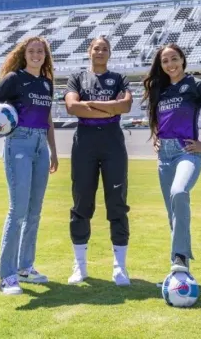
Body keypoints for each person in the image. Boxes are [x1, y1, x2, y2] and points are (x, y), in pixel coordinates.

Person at [0, 36, 59, 295]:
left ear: (45, 56)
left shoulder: (47, 84)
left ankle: (26, 267)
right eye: (32, 51)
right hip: (19, 143)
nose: (36, 55)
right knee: (18, 210)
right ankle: (7, 275)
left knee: (35, 211)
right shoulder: (14, 78)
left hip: (40, 147)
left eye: (41, 51)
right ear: (25, 55)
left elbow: (47, 120)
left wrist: (53, 151)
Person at [141, 43, 201, 274]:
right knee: (173, 214)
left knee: (179, 192)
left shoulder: (197, 85)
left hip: (187, 152)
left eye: (174, 59)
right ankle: (180, 269)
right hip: (164, 156)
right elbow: (157, 118)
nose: (170, 64)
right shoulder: (158, 89)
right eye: (165, 61)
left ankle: (180, 257)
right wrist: (156, 137)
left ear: (182, 59)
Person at [63, 35, 133, 286]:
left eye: (104, 48)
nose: (100, 52)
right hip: (85, 142)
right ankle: (80, 266)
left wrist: (90, 104)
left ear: (109, 53)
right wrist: (108, 107)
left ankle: (120, 268)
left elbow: (125, 107)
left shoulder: (119, 78)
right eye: (96, 48)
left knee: (117, 204)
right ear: (89, 52)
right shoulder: (77, 78)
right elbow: (73, 107)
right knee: (81, 203)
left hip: (113, 142)